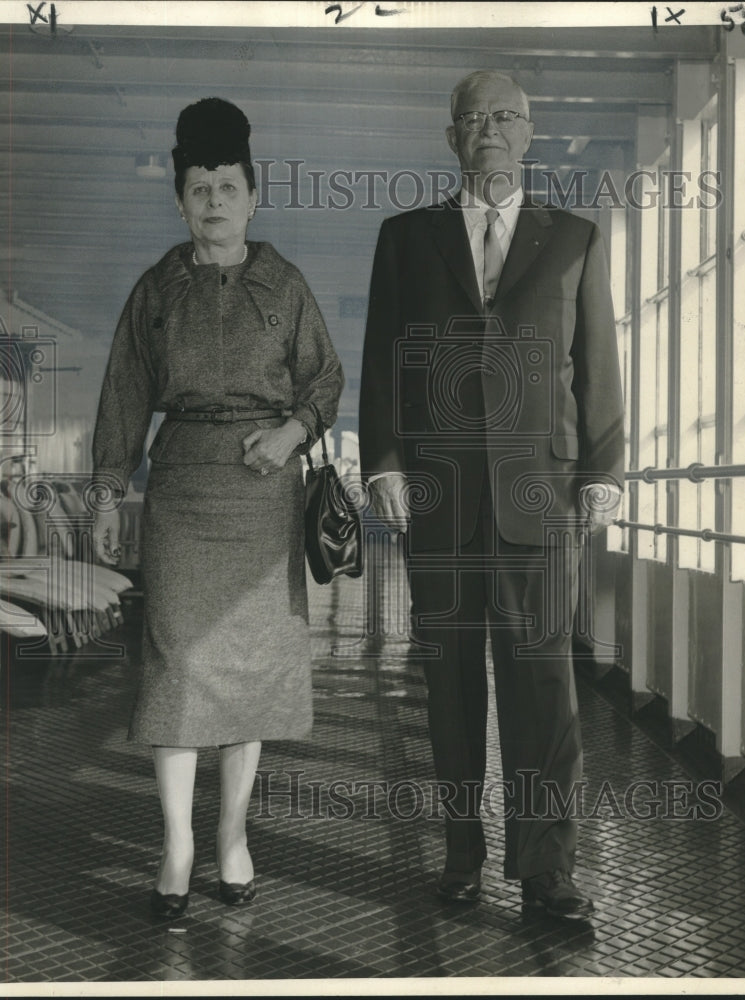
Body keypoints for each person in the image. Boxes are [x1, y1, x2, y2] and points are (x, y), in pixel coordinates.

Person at [359, 71, 624, 919]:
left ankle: (548, 874)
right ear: (451, 138)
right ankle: (461, 855)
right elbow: (378, 367)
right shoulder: (406, 239)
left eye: (504, 117)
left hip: (539, 498)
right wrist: (384, 463)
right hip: (438, 500)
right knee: (449, 688)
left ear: (529, 131)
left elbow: (598, 369)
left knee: (543, 688)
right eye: (471, 120)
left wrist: (604, 471)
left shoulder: (573, 237)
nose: (488, 131)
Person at [91, 97, 344, 919]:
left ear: (252, 194)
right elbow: (125, 393)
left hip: (265, 495)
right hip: (181, 492)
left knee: (249, 678)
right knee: (177, 666)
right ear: (179, 200)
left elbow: (325, 380)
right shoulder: (157, 288)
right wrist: (105, 490)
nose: (212, 200)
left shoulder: (284, 283)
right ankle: (178, 846)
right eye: (197, 187)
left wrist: (293, 433)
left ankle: (233, 837)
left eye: (226, 185)